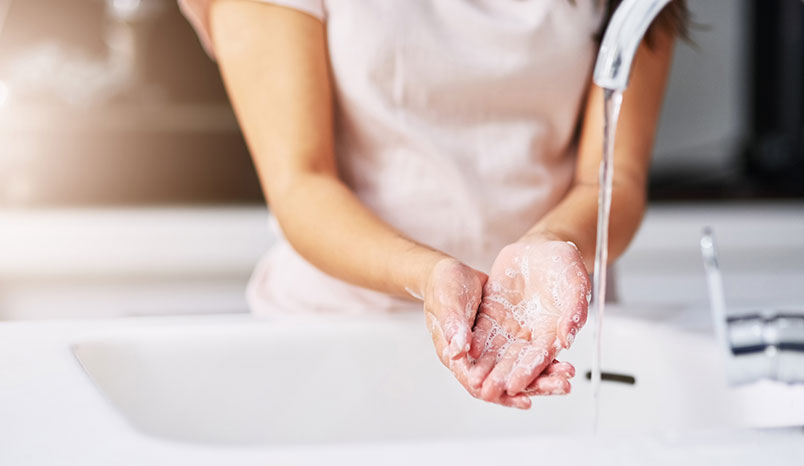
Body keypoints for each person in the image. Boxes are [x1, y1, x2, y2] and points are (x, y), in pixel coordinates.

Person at [179, 0, 686, 410]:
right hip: (337, 339)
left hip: (546, 339)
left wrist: (550, 241)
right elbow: (301, 183)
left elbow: (613, 178)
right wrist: (428, 274)